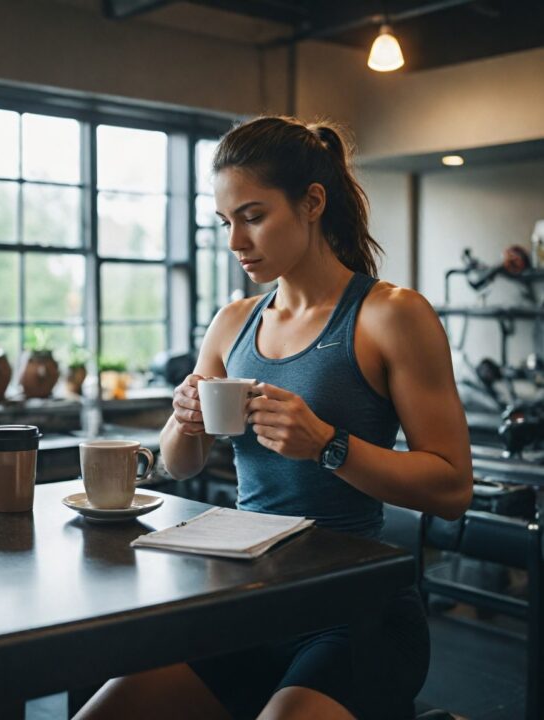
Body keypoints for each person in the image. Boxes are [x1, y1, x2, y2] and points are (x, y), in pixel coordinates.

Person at [75, 116, 473, 720]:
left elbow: (452, 488)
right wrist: (186, 418)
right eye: (226, 221)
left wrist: (327, 444)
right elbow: (179, 467)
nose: (235, 241)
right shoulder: (232, 323)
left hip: (357, 610)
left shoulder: (390, 315)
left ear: (312, 202)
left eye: (253, 216)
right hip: (248, 601)